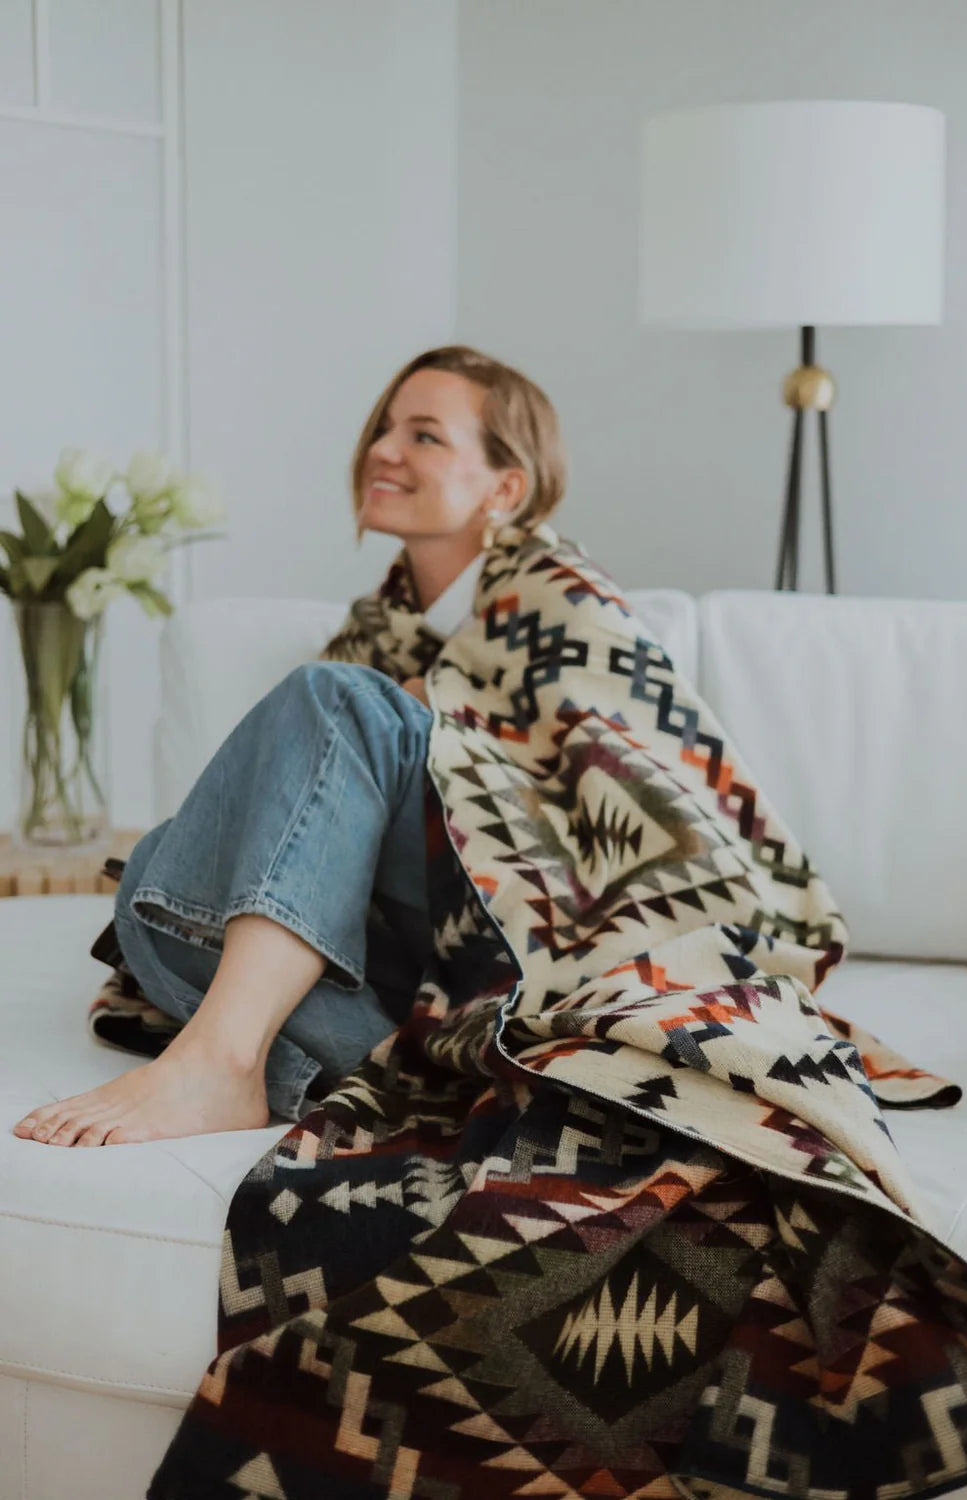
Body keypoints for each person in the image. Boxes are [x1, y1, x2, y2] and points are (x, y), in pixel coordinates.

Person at [12, 344, 566, 1148]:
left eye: (425, 436)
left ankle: (222, 1056)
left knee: (335, 697)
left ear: (505, 486)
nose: (381, 448)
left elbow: (584, 810)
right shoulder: (370, 632)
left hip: (514, 924)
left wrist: (413, 710)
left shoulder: (566, 609)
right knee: (157, 875)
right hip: (406, 965)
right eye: (383, 428)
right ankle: (404, 1072)